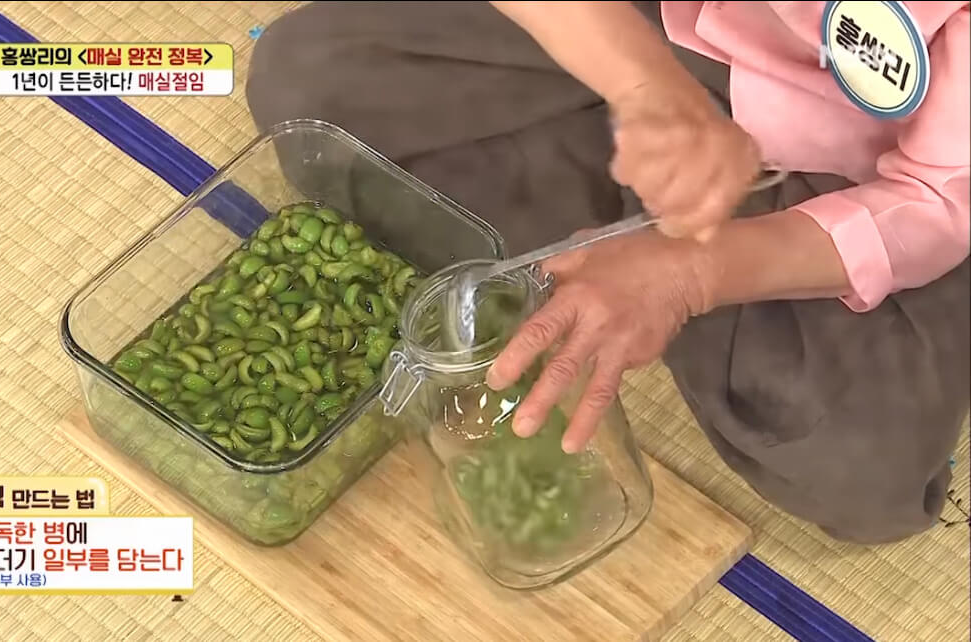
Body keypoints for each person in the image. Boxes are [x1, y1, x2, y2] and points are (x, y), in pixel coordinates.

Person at [245, 1, 970, 545]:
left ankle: (633, 245)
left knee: (860, 471)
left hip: (852, 180)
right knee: (309, 82)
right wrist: (650, 93)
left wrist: (692, 276)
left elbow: (936, 201)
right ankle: (630, 212)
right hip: (653, 29)